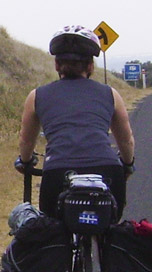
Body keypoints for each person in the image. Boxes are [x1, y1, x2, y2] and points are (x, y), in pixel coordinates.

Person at [16, 25, 136, 218]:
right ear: (90, 66)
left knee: (54, 233)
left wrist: (25, 161)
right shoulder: (110, 94)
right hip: (107, 170)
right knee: (110, 228)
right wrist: (128, 165)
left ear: (57, 65)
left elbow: (26, 141)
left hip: (57, 171)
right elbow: (126, 140)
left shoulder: (37, 96)